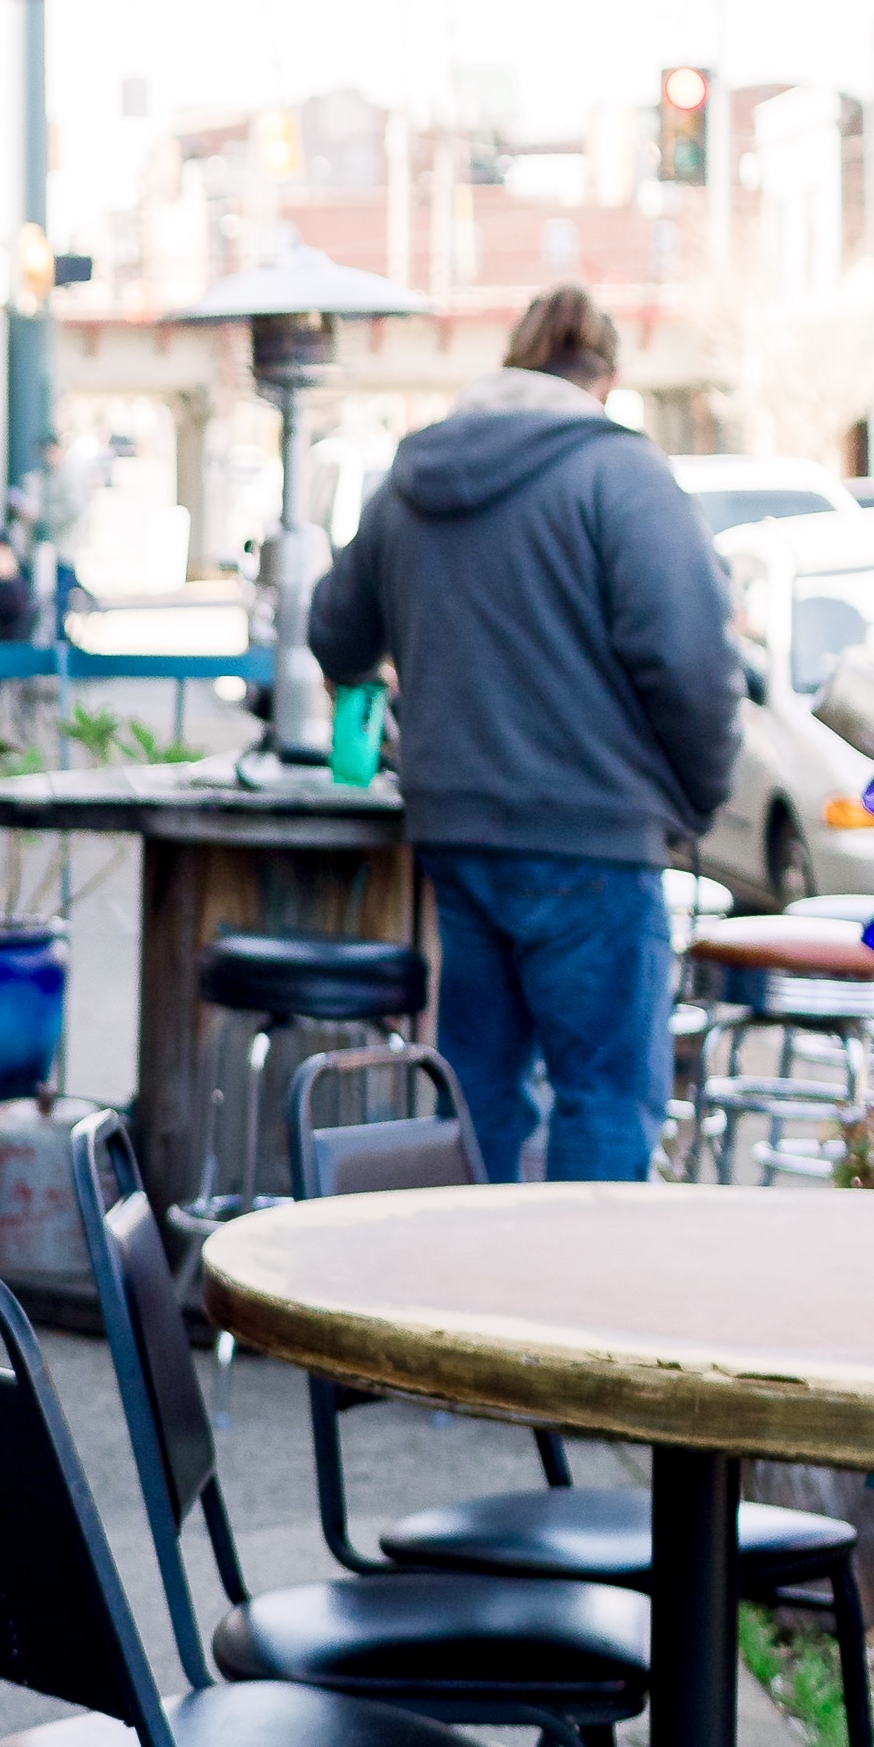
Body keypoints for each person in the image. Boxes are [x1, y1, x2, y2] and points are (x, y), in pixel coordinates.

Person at [307, 281, 738, 1181]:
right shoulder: (619, 472)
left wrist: (392, 704)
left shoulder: (412, 477)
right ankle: (573, 1314)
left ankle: (468, 1308)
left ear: (511, 364)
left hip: (456, 829)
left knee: (479, 1092)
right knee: (605, 1098)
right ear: (604, 378)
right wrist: (697, 797)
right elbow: (690, 660)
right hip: (590, 835)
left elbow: (335, 633)